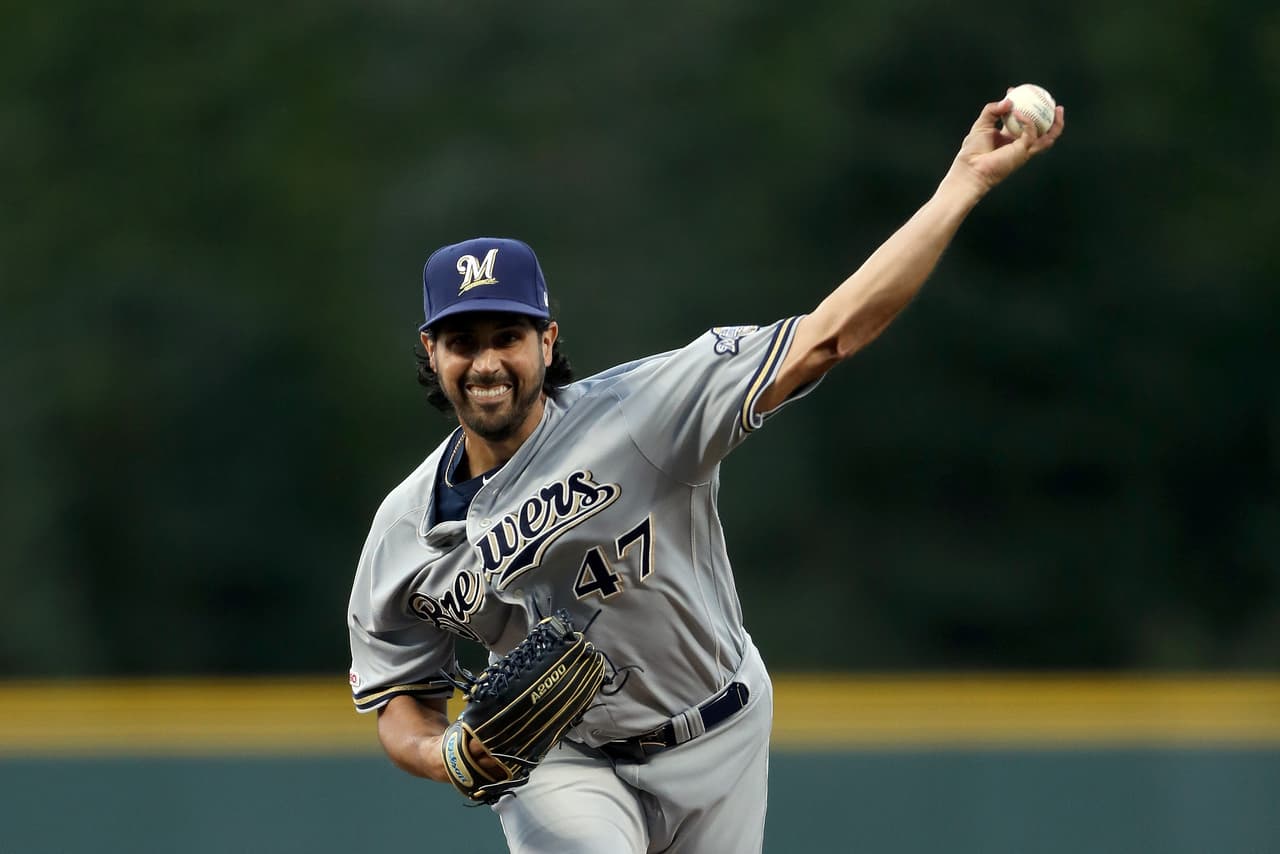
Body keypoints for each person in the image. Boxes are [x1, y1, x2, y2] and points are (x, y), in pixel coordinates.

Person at [347, 94, 1065, 853]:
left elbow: (828, 335)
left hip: (721, 729)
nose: (486, 361)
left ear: (548, 340)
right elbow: (402, 694)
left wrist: (962, 184)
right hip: (563, 762)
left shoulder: (645, 413)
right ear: (431, 352)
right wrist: (444, 753)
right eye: (461, 340)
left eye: (507, 335)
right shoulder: (405, 531)